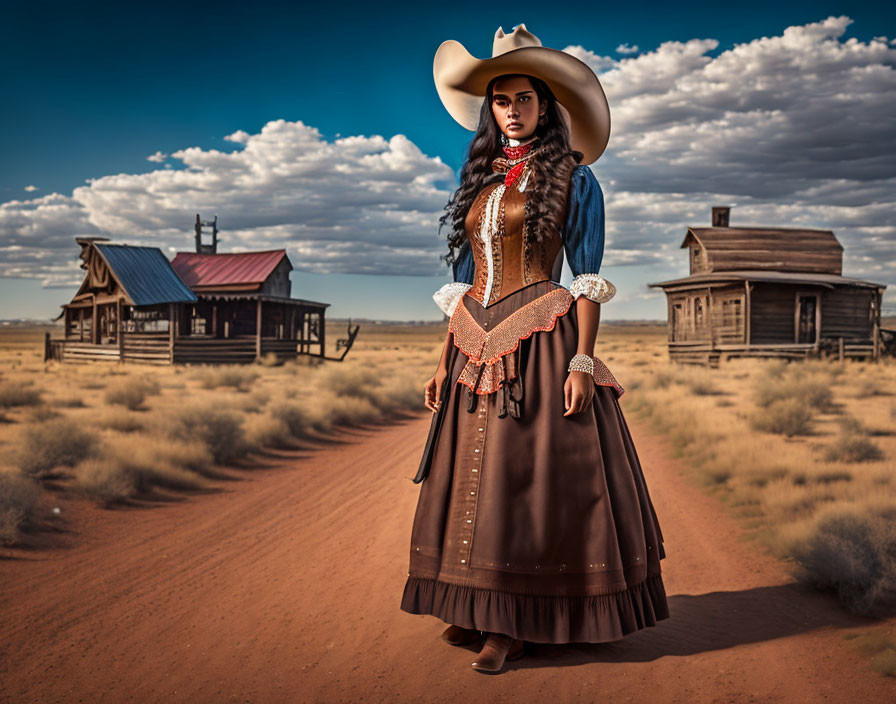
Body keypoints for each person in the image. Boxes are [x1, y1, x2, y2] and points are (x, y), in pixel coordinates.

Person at [400, 24, 670, 674]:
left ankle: (516, 624)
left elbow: (585, 280)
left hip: (542, 341)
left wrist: (580, 362)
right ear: (490, 110)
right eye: (501, 100)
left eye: (524, 98)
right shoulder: (483, 180)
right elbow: (462, 284)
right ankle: (476, 607)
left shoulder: (575, 179)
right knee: (474, 478)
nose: (513, 109)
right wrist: (443, 360)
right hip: (475, 343)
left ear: (545, 105)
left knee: (527, 479)